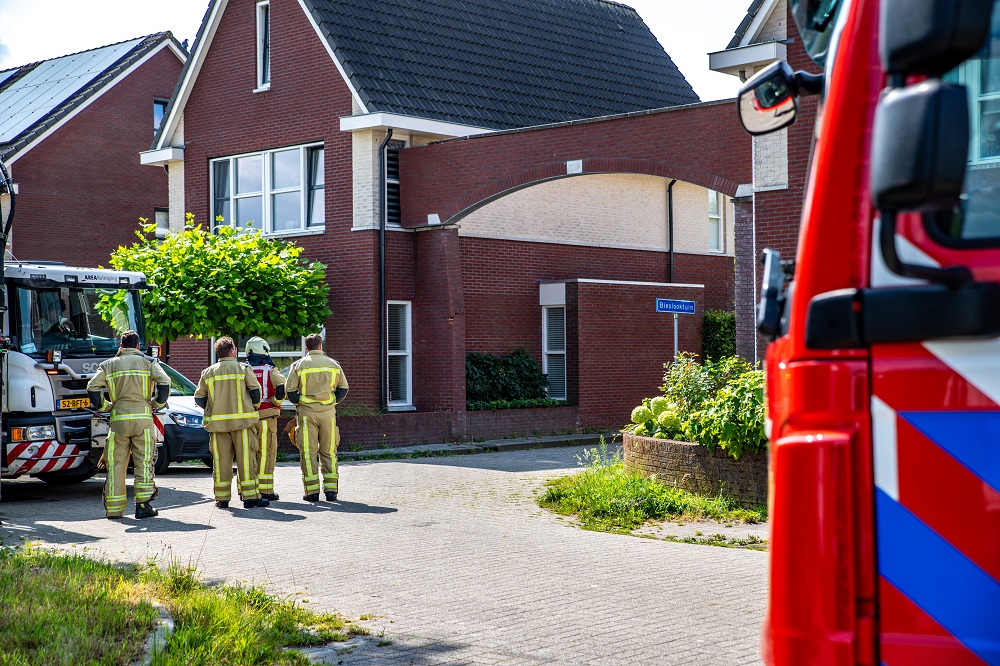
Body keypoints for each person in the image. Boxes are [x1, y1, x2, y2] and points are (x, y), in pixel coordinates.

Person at [87, 330, 170, 519]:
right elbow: (164, 382)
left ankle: (114, 510)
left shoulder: (108, 365)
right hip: (143, 420)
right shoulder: (149, 362)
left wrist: (106, 406)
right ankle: (143, 506)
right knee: (143, 462)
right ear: (138, 345)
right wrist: (156, 403)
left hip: (119, 422)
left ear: (121, 346)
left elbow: (92, 387)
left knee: (116, 464)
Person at [194, 337, 268, 509]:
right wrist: (252, 407)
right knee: (246, 460)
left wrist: (214, 409)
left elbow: (199, 398)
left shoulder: (208, 372)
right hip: (242, 424)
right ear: (233, 350)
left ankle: (222, 498)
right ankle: (250, 498)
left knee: (221, 462)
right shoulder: (243, 369)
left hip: (218, 427)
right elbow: (256, 393)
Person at [284, 333, 348, 502]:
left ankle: (311, 492)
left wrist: (301, 403)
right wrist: (332, 401)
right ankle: (331, 491)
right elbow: (343, 389)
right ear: (321, 346)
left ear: (307, 348)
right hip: (328, 414)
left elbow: (290, 392)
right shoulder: (334, 365)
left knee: (308, 452)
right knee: (329, 451)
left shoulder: (298, 365)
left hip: (306, 414)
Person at [245, 336, 286, 501]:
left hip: (247, 419)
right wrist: (275, 402)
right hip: (266, 418)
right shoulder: (270, 370)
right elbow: (281, 388)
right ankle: (266, 491)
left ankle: (247, 490)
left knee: (247, 454)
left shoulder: (242, 369)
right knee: (266, 453)